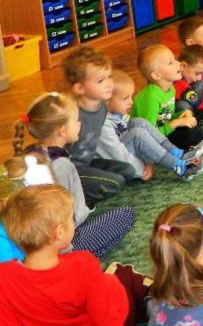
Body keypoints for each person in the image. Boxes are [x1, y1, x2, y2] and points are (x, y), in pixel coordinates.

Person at [0, 184, 147, 326]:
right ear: (59, 232)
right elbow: (108, 322)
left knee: (108, 284)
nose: (73, 224)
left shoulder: (4, 278)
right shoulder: (83, 264)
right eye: (71, 219)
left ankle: (146, 306)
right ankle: (155, 301)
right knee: (121, 274)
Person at [11, 92, 134, 259]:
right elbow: (68, 218)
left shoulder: (31, 153)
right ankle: (77, 259)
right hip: (62, 245)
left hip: (37, 238)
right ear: (62, 131)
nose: (79, 124)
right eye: (77, 120)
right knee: (126, 215)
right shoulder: (61, 165)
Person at [98, 68, 203, 181]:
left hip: (127, 154)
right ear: (107, 101)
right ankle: (180, 167)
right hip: (117, 166)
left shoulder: (120, 115)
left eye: (130, 97)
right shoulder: (103, 125)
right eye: (125, 98)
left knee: (138, 121)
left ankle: (178, 154)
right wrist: (143, 169)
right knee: (137, 134)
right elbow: (118, 155)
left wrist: (149, 161)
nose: (131, 102)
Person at [61, 47, 135, 204]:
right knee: (115, 183)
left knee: (128, 171)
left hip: (88, 163)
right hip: (70, 171)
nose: (109, 84)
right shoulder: (71, 113)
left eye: (109, 77)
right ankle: (74, 201)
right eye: (100, 81)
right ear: (80, 88)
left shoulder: (102, 106)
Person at [131, 44, 203, 170]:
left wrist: (182, 114)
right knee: (195, 133)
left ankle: (202, 137)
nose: (178, 63)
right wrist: (177, 122)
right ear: (157, 75)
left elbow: (165, 116)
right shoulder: (150, 97)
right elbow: (150, 135)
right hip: (157, 141)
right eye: (170, 63)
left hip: (166, 130)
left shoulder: (170, 89)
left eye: (174, 59)